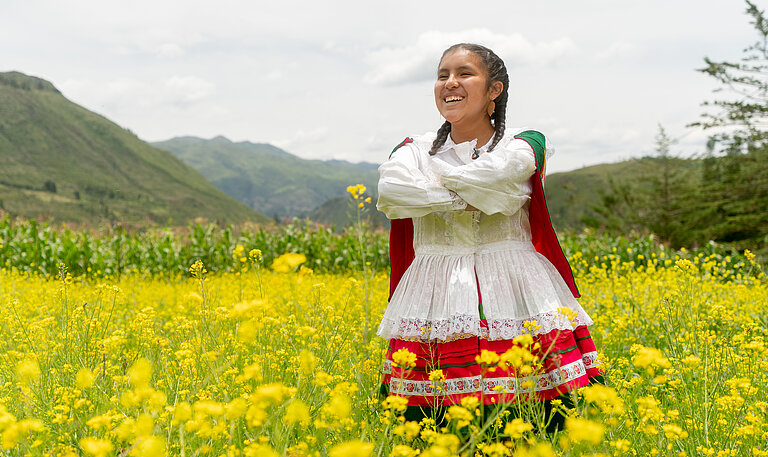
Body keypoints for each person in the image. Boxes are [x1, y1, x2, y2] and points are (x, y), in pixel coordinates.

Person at [375, 43, 604, 433]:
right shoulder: (411, 147)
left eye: (464, 73)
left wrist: (433, 183)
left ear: (494, 90)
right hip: (435, 290)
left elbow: (498, 180)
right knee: (429, 430)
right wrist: (468, 197)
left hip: (515, 287)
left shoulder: (526, 142)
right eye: (442, 74)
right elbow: (393, 192)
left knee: (541, 426)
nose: (450, 83)